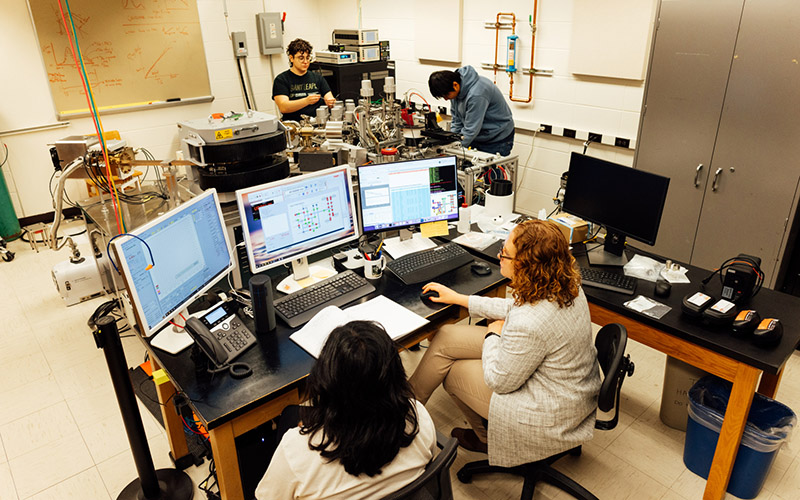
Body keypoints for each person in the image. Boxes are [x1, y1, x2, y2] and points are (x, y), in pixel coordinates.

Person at [408, 220, 601, 467]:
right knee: (447, 335)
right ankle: (404, 409)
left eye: (505, 253)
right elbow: (515, 308)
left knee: (454, 372)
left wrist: (493, 334)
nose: (499, 255)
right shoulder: (565, 282)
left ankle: (487, 438)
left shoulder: (531, 323)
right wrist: (462, 299)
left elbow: (499, 380)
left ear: (525, 266)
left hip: (548, 410)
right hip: (566, 383)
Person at [255, 321, 437, 499]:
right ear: (396, 375)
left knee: (290, 415)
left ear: (325, 381)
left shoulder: (297, 453)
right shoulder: (419, 418)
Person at [428, 65, 516, 156]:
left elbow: (471, 129)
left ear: (455, 85)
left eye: (446, 95)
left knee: (490, 169)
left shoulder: (477, 94)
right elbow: (456, 120)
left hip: (497, 138)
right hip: (477, 136)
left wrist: (453, 149)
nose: (446, 99)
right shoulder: (455, 90)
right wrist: (452, 141)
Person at [273, 38, 336, 122]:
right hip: (294, 125)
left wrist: (331, 103)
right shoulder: (281, 80)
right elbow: (283, 107)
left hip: (318, 123)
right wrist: (306, 101)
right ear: (291, 58)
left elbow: (329, 98)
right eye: (301, 58)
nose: (305, 61)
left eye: (308, 58)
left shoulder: (318, 78)